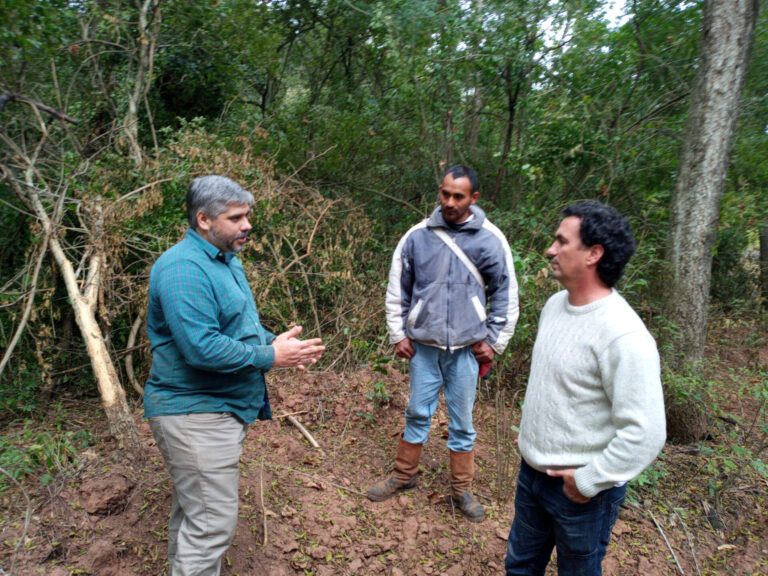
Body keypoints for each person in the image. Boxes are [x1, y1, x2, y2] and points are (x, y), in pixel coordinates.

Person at [143, 175, 325, 576]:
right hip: (194, 414)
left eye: (247, 216)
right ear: (204, 219)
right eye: (237, 217)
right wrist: (269, 356)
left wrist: (274, 342)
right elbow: (200, 347)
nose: (247, 225)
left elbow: (237, 327)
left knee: (198, 517)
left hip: (217, 411)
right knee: (210, 527)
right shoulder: (182, 268)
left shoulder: (226, 261)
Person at [505, 201, 666, 575]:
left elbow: (646, 432)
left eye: (562, 241)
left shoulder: (623, 335)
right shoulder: (554, 306)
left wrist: (588, 481)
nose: (550, 249)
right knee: (520, 567)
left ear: (594, 254)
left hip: (582, 495)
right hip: (532, 476)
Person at [367, 165, 519, 523]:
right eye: (445, 194)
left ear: (474, 198)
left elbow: (506, 294)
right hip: (425, 349)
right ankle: (404, 476)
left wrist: (494, 342)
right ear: (440, 191)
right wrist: (398, 334)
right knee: (417, 412)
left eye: (459, 196)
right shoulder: (417, 236)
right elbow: (397, 289)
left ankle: (461, 490)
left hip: (466, 351)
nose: (450, 202)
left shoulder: (490, 239)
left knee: (463, 422)